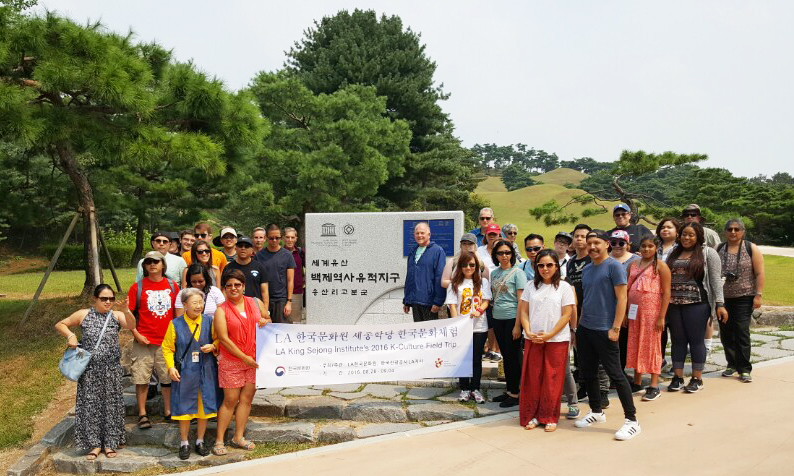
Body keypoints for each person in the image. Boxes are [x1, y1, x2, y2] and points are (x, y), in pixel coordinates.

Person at [55, 284, 135, 460]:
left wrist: (126, 310)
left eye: (111, 299)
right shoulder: (83, 314)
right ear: (95, 299)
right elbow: (60, 324)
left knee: (111, 406)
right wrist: (71, 336)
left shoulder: (117, 315)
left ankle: (110, 442)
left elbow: (131, 325)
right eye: (104, 299)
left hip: (111, 369)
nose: (108, 302)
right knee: (90, 406)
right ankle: (94, 444)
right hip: (90, 371)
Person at [574, 230, 640, 441]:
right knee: (589, 372)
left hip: (606, 329)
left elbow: (622, 299)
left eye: (596, 243)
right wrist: (578, 329)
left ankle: (632, 420)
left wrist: (616, 328)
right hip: (586, 328)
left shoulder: (614, 267)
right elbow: (585, 300)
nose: (592, 246)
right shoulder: (586, 269)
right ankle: (596, 411)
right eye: (589, 243)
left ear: (606, 244)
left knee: (616, 374)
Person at [665, 222, 728, 393]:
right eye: (684, 234)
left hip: (698, 304)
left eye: (691, 235)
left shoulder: (708, 253)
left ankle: (696, 378)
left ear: (698, 236)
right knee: (677, 341)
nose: (686, 237)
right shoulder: (673, 252)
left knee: (696, 341)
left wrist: (720, 304)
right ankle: (677, 377)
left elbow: (715, 280)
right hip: (673, 304)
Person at [213, 269, 270, 455]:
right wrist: (243, 357)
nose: (233, 288)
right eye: (229, 286)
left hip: (254, 360)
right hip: (232, 360)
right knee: (230, 400)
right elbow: (223, 338)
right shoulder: (221, 310)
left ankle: (238, 436)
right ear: (224, 289)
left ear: (243, 286)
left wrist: (264, 320)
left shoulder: (255, 302)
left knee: (247, 399)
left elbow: (268, 319)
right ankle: (219, 440)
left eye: (237, 285)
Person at [518, 250, 575, 431]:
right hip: (533, 338)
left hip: (556, 339)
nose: (545, 269)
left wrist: (550, 334)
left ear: (556, 266)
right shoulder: (530, 286)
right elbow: (524, 311)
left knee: (552, 379)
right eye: (541, 265)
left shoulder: (564, 287)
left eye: (549, 265)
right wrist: (527, 330)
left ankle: (549, 415)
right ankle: (533, 415)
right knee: (533, 378)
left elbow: (567, 314)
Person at [161, 288, 223, 460]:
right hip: (185, 371)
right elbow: (167, 347)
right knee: (184, 407)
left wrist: (213, 346)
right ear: (185, 304)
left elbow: (219, 339)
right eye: (194, 303)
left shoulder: (210, 321)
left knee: (203, 407)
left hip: (206, 370)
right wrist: (171, 367)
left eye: (201, 302)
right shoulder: (175, 324)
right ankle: (184, 442)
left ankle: (200, 441)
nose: (198, 306)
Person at [128, 251, 179, 428]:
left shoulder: (173, 286)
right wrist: (136, 334)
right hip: (144, 340)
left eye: (156, 261)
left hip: (166, 341)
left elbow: (177, 314)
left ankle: (168, 411)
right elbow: (129, 316)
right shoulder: (137, 287)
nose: (152, 264)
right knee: (141, 378)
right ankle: (142, 413)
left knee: (167, 378)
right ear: (144, 266)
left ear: (163, 265)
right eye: (148, 262)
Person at [566, 224, 609, 409]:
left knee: (600, 355)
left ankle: (603, 391)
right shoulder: (571, 262)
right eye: (576, 236)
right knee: (581, 353)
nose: (579, 239)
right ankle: (584, 385)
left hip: (596, 311)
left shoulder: (595, 261)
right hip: (577, 311)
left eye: (583, 236)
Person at [717, 219, 765, 383]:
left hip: (744, 297)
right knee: (726, 332)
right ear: (725, 231)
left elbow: (759, 273)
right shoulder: (719, 248)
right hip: (723, 299)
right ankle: (731, 364)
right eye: (729, 229)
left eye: (737, 229)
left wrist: (758, 295)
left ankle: (744, 368)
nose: (733, 232)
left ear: (743, 231)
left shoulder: (750, 248)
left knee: (741, 331)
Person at [626, 236, 671, 401]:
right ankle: (637, 381)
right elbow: (627, 288)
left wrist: (662, 316)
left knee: (652, 345)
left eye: (650, 246)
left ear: (656, 248)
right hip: (634, 312)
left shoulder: (661, 266)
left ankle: (654, 384)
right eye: (643, 246)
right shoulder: (633, 264)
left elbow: (666, 293)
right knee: (636, 343)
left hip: (652, 313)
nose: (646, 249)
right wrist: (624, 313)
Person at [446, 250, 492, 404]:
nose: (468, 267)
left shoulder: (483, 282)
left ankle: (475, 388)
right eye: (465, 264)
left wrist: (479, 310)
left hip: (479, 327)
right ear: (460, 266)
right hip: (462, 327)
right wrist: (456, 325)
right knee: (463, 359)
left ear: (476, 266)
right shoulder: (454, 284)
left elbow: (486, 300)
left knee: (476, 359)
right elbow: (452, 306)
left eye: (472, 264)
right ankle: (464, 388)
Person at [489, 240, 527, 408]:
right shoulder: (494, 273)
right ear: (495, 255)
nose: (504, 256)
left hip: (513, 318)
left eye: (507, 252)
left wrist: (518, 325)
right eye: (500, 253)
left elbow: (521, 301)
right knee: (506, 355)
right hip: (498, 318)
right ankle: (510, 389)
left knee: (514, 356)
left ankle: (517, 392)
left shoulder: (518, 273)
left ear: (512, 254)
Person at [681, 205, 720, 354]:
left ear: (699, 217)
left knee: (706, 314)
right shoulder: (681, 232)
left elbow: (716, 252)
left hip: (705, 276)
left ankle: (707, 345)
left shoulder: (709, 233)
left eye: (693, 214)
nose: (690, 217)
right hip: (684, 282)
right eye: (687, 214)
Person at [610, 229, 640, 381]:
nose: (617, 246)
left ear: (627, 244)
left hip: (630, 306)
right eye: (613, 242)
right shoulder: (605, 259)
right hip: (608, 306)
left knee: (624, 340)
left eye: (621, 242)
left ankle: (621, 372)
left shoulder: (636, 260)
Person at [402, 222, 447, 322]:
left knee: (430, 334)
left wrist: (438, 301)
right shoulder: (413, 252)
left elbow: (439, 276)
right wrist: (407, 300)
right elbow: (409, 277)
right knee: (419, 333)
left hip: (429, 303)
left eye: (422, 233)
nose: (419, 235)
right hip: (415, 302)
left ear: (429, 234)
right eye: (417, 233)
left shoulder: (437, 251)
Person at [254, 224, 296, 324]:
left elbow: (290, 280)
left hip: (281, 299)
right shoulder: (259, 256)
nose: (274, 241)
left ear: (281, 238)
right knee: (263, 328)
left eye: (277, 238)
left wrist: (289, 302)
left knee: (280, 330)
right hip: (263, 299)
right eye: (271, 238)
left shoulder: (287, 255)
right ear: (266, 238)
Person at [655, 217, 679, 370]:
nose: (665, 229)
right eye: (663, 227)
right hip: (656, 295)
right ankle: (660, 359)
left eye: (669, 227)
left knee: (676, 331)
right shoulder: (654, 247)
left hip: (676, 294)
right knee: (660, 330)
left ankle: (678, 363)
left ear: (677, 231)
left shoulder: (680, 248)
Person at [227, 237, 270, 309]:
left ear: (252, 250)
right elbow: (224, 290)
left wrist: (265, 309)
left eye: (246, 246)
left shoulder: (259, 267)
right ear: (235, 248)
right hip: (234, 307)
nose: (243, 248)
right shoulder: (228, 268)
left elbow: (264, 291)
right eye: (240, 246)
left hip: (255, 307)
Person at [283, 227, 305, 322]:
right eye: (287, 237)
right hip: (282, 293)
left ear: (296, 238)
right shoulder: (279, 252)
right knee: (283, 322)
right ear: (283, 238)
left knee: (295, 322)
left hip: (297, 292)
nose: (290, 240)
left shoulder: (300, 252)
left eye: (292, 237)